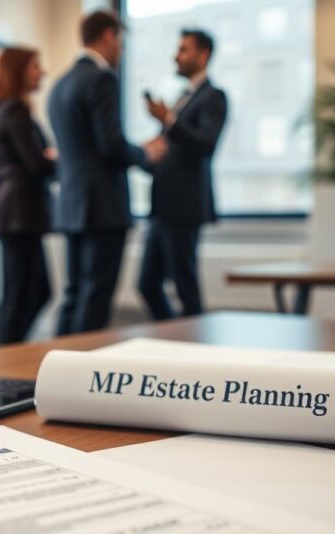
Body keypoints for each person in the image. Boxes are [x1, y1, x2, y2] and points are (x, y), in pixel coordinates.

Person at [48, 10, 167, 335]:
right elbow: (111, 144)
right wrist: (146, 153)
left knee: (73, 294)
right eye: (121, 42)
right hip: (102, 205)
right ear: (108, 36)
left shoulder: (59, 85)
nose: (121, 51)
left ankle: (52, 369)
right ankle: (80, 376)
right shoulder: (102, 79)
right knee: (96, 295)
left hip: (71, 204)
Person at [138, 29, 228, 320]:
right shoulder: (182, 97)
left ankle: (193, 351)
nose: (176, 55)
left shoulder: (213, 97)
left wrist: (169, 121)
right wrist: (142, 153)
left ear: (203, 55)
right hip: (161, 208)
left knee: (185, 286)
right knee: (147, 284)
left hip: (184, 207)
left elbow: (205, 144)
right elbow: (169, 150)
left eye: (184, 50)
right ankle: (172, 339)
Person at [0, 47, 56, 344]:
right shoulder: (15, 112)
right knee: (21, 295)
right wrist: (55, 157)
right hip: (18, 214)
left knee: (35, 292)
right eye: (35, 67)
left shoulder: (11, 111)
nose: (41, 72)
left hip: (20, 214)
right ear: (18, 72)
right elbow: (36, 164)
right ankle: (6, 359)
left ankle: (10, 352)